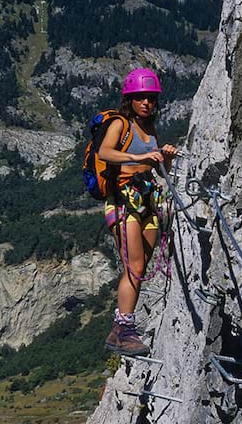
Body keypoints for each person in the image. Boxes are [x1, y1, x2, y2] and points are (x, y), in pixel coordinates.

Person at [99, 68, 178, 356]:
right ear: (130, 99)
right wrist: (137, 156)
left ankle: (120, 330)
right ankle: (124, 327)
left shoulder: (150, 130)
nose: (146, 103)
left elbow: (157, 170)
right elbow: (105, 152)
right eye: (140, 98)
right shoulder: (121, 124)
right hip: (123, 201)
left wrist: (164, 159)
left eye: (151, 99)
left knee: (142, 265)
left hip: (147, 200)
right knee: (133, 266)